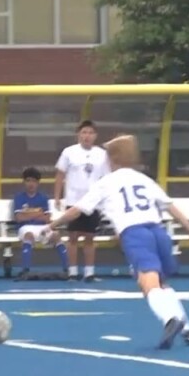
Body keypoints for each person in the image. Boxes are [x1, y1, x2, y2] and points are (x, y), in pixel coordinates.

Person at [44, 134, 189, 350]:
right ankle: (188, 329)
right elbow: (170, 207)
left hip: (135, 233)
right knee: (161, 283)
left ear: (112, 159)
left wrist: (52, 225)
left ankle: (171, 319)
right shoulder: (143, 179)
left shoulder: (106, 183)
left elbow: (77, 210)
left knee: (147, 283)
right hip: (158, 232)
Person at [54, 120, 110, 282]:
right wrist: (57, 197)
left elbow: (106, 178)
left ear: (95, 136)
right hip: (73, 200)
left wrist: (105, 199)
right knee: (73, 237)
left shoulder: (101, 154)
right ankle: (72, 272)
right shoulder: (69, 152)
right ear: (78, 134)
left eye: (90, 133)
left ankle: (89, 272)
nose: (87, 136)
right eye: (84, 132)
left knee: (90, 237)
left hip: (93, 202)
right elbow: (60, 175)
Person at [13, 166, 69, 278]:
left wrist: (28, 214)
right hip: (25, 227)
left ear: (38, 183)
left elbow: (47, 219)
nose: (31, 184)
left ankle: (68, 269)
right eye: (28, 180)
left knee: (56, 235)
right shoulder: (19, 197)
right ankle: (26, 270)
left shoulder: (43, 198)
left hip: (43, 227)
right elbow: (19, 218)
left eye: (34, 181)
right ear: (24, 182)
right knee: (28, 236)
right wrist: (38, 213)